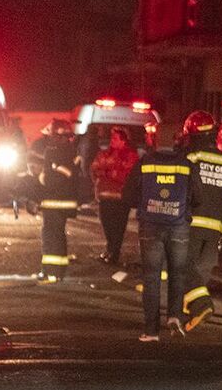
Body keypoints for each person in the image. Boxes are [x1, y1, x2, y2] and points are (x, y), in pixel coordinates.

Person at [124, 130, 195, 341]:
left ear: (153, 142)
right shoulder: (186, 164)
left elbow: (127, 194)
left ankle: (151, 330)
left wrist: (144, 203)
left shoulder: (145, 163)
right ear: (175, 142)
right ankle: (174, 316)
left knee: (151, 277)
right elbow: (197, 194)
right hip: (179, 225)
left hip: (151, 226)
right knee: (178, 274)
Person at [178, 111, 222, 332]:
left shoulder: (191, 157)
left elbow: (182, 190)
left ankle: (201, 305)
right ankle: (188, 311)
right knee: (201, 270)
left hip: (191, 224)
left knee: (184, 268)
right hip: (215, 229)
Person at [30, 120, 82, 282]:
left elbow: (55, 178)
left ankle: (50, 271)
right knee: (58, 235)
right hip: (64, 201)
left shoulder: (55, 152)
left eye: (51, 136)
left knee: (50, 236)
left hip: (54, 200)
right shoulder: (73, 152)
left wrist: (41, 179)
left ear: (58, 136)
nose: (48, 139)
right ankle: (57, 271)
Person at [90, 126, 140, 268]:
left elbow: (128, 175)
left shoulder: (131, 155)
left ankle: (114, 253)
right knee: (107, 225)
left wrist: (109, 172)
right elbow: (94, 168)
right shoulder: (104, 153)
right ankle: (109, 249)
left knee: (118, 227)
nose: (112, 140)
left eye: (115, 138)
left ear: (123, 140)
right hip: (104, 197)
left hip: (121, 198)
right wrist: (104, 176)